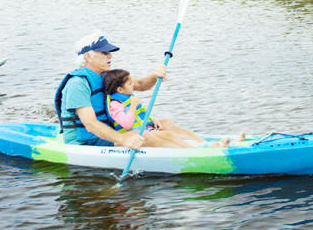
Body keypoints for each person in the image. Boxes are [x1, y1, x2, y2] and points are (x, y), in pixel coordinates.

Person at [54, 32, 188, 149]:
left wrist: (155, 76)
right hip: (85, 141)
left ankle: (202, 146)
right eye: (105, 53)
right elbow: (91, 124)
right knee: (144, 135)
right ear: (88, 57)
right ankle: (190, 155)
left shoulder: (106, 76)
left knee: (165, 124)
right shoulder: (78, 84)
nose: (110, 56)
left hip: (107, 132)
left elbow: (141, 84)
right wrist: (124, 139)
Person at [100, 69, 232, 148]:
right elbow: (127, 124)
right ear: (120, 89)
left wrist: (152, 120)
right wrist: (133, 105)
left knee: (167, 123)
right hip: (133, 134)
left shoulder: (128, 96)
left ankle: (203, 143)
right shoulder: (115, 105)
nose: (133, 86)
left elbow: (140, 117)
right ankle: (194, 151)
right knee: (167, 135)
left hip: (145, 127)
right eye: (130, 84)